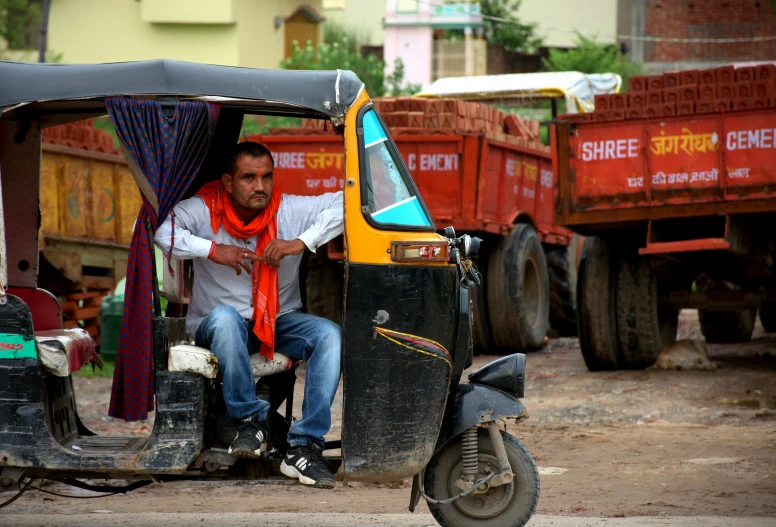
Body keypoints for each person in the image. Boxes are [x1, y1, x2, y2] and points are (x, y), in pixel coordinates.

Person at [155, 142, 343, 489]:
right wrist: (213, 250)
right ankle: (251, 421)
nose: (260, 186)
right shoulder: (203, 210)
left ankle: (304, 448)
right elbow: (162, 231)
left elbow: (346, 204)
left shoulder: (289, 211)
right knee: (226, 318)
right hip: (217, 324)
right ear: (227, 182)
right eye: (249, 178)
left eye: (266, 177)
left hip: (277, 321)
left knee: (329, 334)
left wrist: (300, 242)